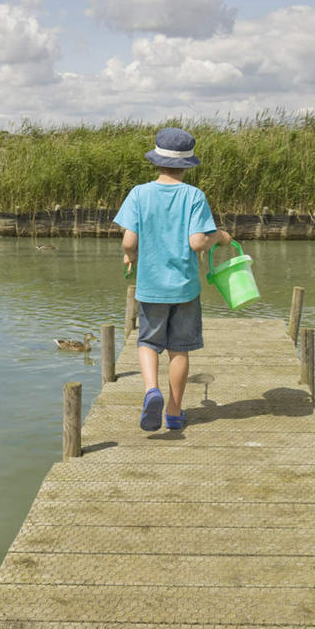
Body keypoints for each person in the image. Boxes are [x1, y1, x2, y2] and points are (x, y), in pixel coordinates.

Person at [113, 127, 232, 431]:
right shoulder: (194, 196)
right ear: (187, 165)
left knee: (148, 342)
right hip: (184, 288)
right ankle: (175, 413)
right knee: (179, 349)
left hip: (151, 287)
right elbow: (196, 242)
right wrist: (218, 236)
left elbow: (129, 240)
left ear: (156, 161)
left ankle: (151, 389)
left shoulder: (139, 193)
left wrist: (131, 255)